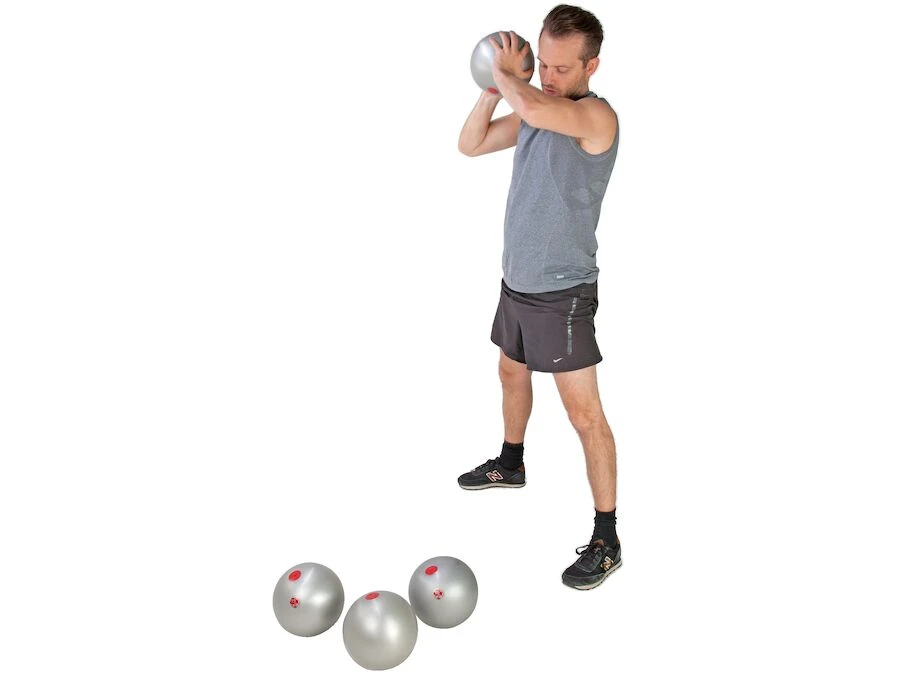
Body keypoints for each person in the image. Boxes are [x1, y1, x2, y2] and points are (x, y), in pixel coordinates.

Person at [457, 4, 621, 591]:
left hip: (562, 291)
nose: (548, 76)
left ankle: (606, 538)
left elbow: (531, 105)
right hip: (517, 281)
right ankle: (511, 462)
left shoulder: (594, 116)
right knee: (510, 371)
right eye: (542, 64)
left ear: (591, 66)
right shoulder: (535, 109)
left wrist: (508, 76)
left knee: (584, 415)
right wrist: (489, 88)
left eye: (561, 67)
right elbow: (470, 144)